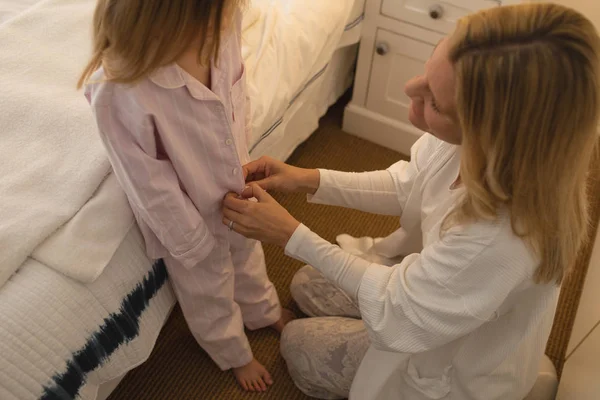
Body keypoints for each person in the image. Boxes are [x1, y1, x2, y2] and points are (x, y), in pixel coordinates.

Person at [222, 3, 600, 399]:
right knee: (306, 284)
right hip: (436, 288)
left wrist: (290, 234)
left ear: (491, 134)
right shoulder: (479, 147)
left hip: (447, 362)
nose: (409, 89)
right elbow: (409, 184)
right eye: (428, 69)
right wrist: (307, 179)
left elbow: (398, 309)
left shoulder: (499, 239)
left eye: (434, 102)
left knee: (297, 344)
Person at [78, 0, 293, 392]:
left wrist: (244, 161)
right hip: (186, 210)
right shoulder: (118, 91)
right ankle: (233, 353)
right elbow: (145, 179)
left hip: (236, 182)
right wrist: (190, 236)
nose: (227, 23)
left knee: (248, 253)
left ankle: (263, 311)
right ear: (168, 24)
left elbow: (235, 97)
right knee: (208, 287)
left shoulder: (221, 29)